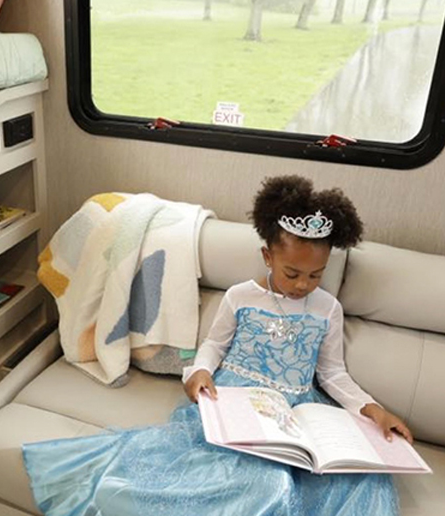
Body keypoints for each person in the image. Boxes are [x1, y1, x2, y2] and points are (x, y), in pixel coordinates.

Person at [23, 175, 413, 516]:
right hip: (236, 397)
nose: (302, 285)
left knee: (346, 482)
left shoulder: (328, 308)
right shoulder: (241, 297)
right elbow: (212, 344)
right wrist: (200, 372)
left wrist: (372, 409)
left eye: (315, 275)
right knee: (254, 481)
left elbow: (332, 372)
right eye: (292, 272)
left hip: (297, 407)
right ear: (267, 256)